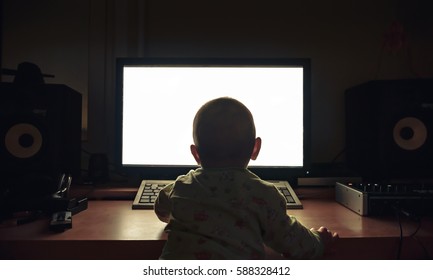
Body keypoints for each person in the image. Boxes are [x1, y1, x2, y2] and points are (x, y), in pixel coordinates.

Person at [154, 97, 338, 259]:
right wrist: (319, 240)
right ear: (255, 148)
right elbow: (296, 244)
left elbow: (161, 209)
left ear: (195, 154)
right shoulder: (263, 195)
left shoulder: (181, 187)